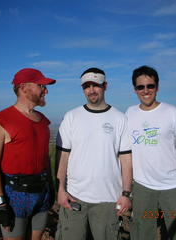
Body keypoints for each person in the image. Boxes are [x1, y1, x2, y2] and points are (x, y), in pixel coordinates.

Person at [55, 67, 133, 240]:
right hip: (74, 197)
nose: (91, 90)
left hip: (108, 198)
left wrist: (126, 193)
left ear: (105, 85)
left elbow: (126, 159)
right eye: (86, 86)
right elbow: (63, 157)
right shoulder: (72, 117)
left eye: (95, 85)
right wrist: (59, 189)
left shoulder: (120, 118)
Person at [126, 65, 176, 240]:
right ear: (135, 90)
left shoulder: (171, 112)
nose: (146, 91)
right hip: (142, 186)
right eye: (140, 87)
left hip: (172, 185)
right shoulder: (130, 113)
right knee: (141, 234)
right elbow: (125, 153)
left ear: (157, 87)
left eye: (150, 86)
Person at [0, 68, 56, 240]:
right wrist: (0, 204)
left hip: (42, 192)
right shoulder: (0, 120)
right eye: (41, 86)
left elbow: (44, 156)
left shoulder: (43, 120)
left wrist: (51, 186)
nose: (46, 90)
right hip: (14, 195)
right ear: (24, 88)